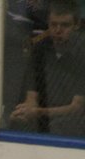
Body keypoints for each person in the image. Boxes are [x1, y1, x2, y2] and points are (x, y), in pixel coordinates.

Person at [9, 0, 85, 137]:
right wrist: (26, 110)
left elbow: (77, 108)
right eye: (53, 24)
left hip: (75, 125)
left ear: (77, 25)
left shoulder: (83, 53)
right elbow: (31, 94)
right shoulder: (40, 48)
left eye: (65, 25)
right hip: (43, 118)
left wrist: (37, 112)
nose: (58, 30)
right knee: (15, 121)